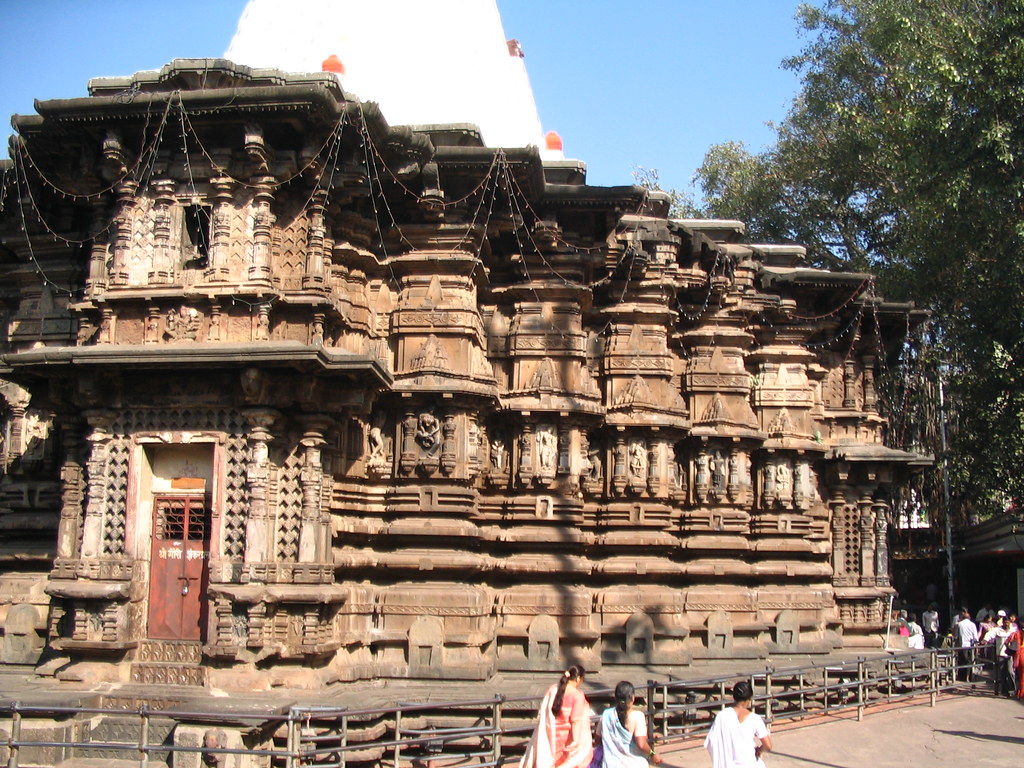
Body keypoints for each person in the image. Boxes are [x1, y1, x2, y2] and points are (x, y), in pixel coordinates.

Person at [520, 665, 593, 768]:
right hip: (568, 738)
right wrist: (575, 741)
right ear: (578, 679)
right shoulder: (577, 696)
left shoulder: (553, 689)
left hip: (552, 736)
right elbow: (575, 719)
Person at [704, 680, 772, 768]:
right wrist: (759, 750)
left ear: (734, 697)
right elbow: (768, 746)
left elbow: (711, 741)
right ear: (749, 699)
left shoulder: (722, 715)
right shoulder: (755, 719)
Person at [596, 680, 662, 768]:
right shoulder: (637, 716)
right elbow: (641, 744)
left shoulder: (606, 715)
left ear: (616, 698)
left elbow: (598, 739)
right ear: (633, 698)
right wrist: (653, 754)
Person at [954, 608, 980, 682]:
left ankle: (962, 677)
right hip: (970, 645)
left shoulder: (959, 624)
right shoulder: (972, 624)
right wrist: (977, 647)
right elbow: (975, 637)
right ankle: (969, 677)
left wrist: (956, 646)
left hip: (962, 645)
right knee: (969, 661)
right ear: (969, 618)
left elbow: (956, 636)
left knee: (961, 661)